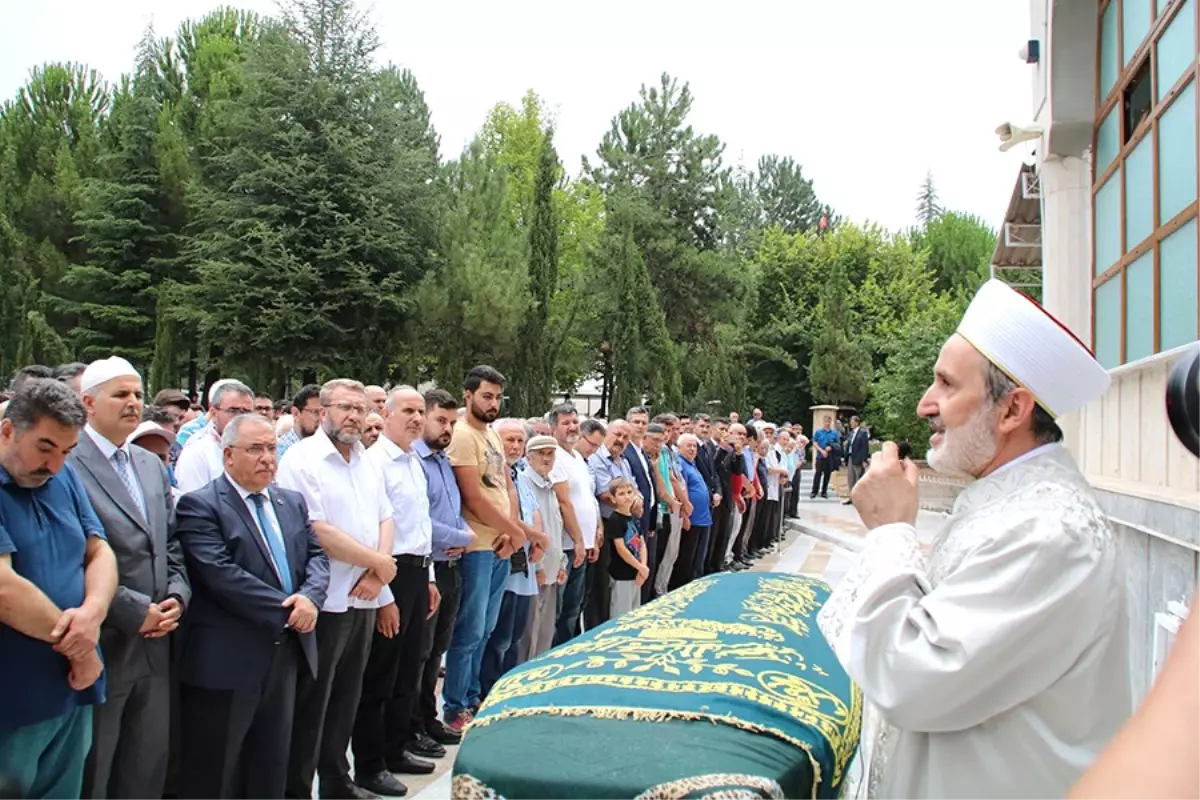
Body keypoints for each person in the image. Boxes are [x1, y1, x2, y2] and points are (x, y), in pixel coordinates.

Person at [817, 279, 1129, 800]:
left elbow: (909, 678)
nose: (924, 404)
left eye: (945, 384)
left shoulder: (1049, 531)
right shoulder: (1009, 502)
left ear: (1012, 411)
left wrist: (892, 531)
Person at [174, 414, 329, 800]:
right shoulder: (201, 505)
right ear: (228, 456)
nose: (267, 458)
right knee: (216, 769)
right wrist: (290, 609)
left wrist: (311, 597)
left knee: (271, 763)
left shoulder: (289, 501)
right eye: (255, 449)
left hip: (286, 654)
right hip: (229, 658)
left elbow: (317, 557)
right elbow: (219, 573)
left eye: (271, 448)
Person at [68, 358, 190, 800]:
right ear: (88, 402)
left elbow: (171, 542)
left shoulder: (148, 463)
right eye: (120, 395)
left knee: (145, 762)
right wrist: (135, 611)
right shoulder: (69, 462)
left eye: (138, 394)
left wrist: (178, 593)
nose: (133, 403)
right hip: (106, 639)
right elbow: (74, 558)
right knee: (96, 765)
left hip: (158, 640)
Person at [0, 379, 119, 800]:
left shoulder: (62, 479)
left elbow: (99, 551)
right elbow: (4, 589)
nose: (54, 465)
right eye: (45, 447)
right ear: (8, 430)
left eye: (67, 452)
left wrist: (94, 611)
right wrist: (83, 649)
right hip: (14, 695)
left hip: (69, 689)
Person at [277, 379, 395, 800]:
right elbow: (316, 528)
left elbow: (386, 516)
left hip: (364, 593)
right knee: (314, 702)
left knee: (347, 695)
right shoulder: (302, 459)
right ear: (322, 410)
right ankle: (297, 789)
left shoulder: (366, 459)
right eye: (344, 407)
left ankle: (336, 782)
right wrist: (377, 562)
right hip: (325, 600)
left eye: (360, 409)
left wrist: (380, 571)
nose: (354, 416)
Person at [353, 388, 441, 796]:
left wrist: (430, 578)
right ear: (384, 414)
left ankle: (398, 745)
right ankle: (370, 764)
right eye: (408, 410)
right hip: (388, 574)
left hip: (417, 573)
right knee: (380, 673)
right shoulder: (374, 463)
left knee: (411, 665)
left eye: (421, 412)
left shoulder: (412, 462)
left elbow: (421, 526)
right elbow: (374, 530)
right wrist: (385, 595)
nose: (416, 419)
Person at [605, 478, 647, 616]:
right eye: (621, 494)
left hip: (636, 573)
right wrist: (639, 566)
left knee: (634, 612)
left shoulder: (634, 517)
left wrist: (643, 567)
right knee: (621, 613)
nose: (627, 497)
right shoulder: (615, 520)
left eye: (629, 492)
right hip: (622, 575)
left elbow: (642, 543)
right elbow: (621, 549)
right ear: (613, 498)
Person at [809, 416, 837, 499]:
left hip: (829, 457)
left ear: (831, 422)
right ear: (823, 422)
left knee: (827, 475)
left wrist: (831, 448)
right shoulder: (818, 432)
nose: (827, 423)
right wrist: (821, 451)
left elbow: (837, 443)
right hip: (820, 456)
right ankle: (814, 491)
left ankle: (824, 492)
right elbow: (814, 442)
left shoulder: (834, 433)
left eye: (829, 421)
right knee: (817, 474)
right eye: (826, 421)